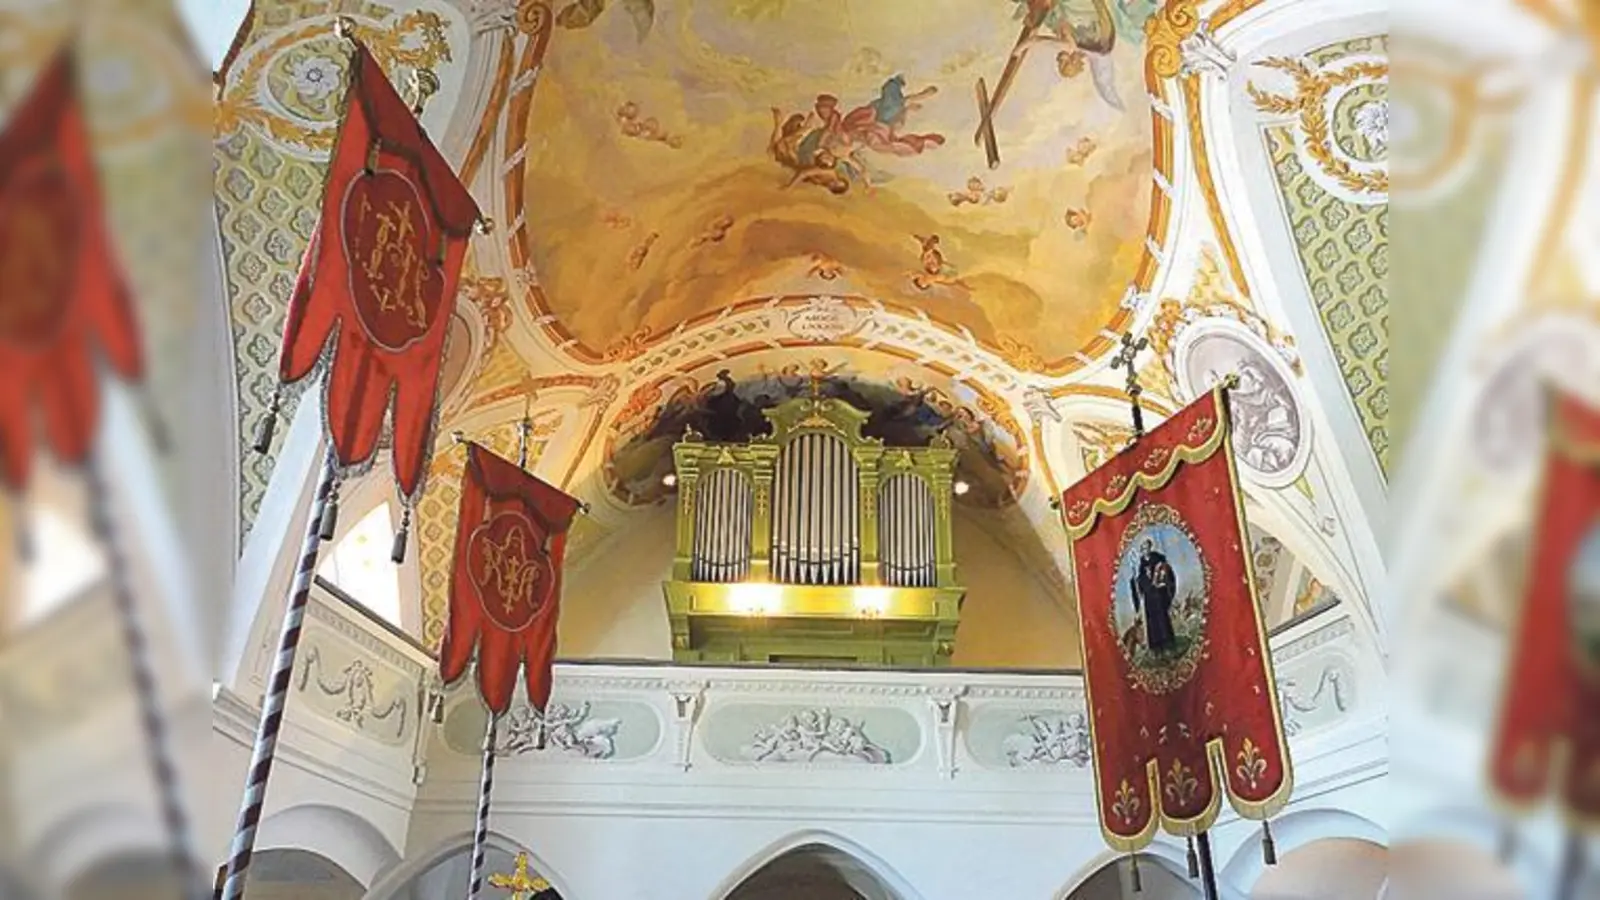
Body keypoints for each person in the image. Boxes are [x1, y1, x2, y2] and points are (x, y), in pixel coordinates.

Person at [1130, 537, 1178, 654]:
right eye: (1142, 549)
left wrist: (1163, 584)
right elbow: (1140, 582)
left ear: (1150, 548)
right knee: (1152, 624)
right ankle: (1156, 648)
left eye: (1146, 548)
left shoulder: (1159, 561)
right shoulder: (1140, 566)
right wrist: (1134, 581)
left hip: (1159, 598)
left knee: (1162, 621)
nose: (1144, 550)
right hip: (1149, 600)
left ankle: (1168, 645)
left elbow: (1167, 576)